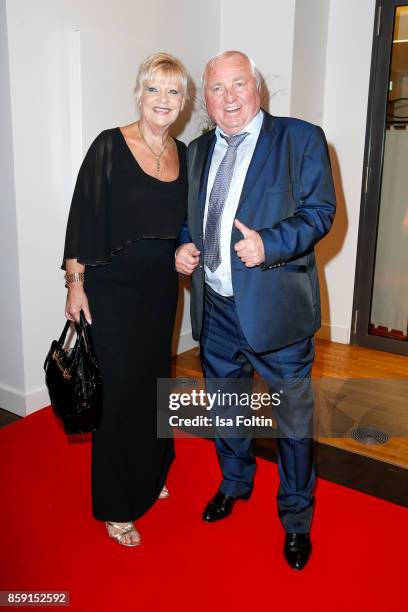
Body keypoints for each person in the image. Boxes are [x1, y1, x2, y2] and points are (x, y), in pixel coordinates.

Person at [176, 50, 336, 570]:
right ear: (207, 97)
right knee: (226, 409)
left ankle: (295, 518)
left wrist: (269, 243)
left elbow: (320, 212)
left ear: (257, 88)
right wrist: (184, 246)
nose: (229, 98)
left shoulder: (300, 138)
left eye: (238, 84)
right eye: (217, 89)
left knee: (292, 422)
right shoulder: (198, 151)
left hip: (278, 312)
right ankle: (235, 483)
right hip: (217, 308)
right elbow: (193, 215)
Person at [62, 52, 188, 547]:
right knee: (116, 395)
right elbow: (82, 216)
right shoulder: (110, 146)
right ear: (140, 92)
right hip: (111, 290)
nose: (163, 100)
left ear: (183, 100)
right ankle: (116, 505)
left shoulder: (183, 152)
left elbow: (182, 225)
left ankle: (152, 473)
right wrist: (75, 281)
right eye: (154, 89)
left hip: (160, 290)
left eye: (173, 91)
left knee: (153, 385)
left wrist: (186, 250)